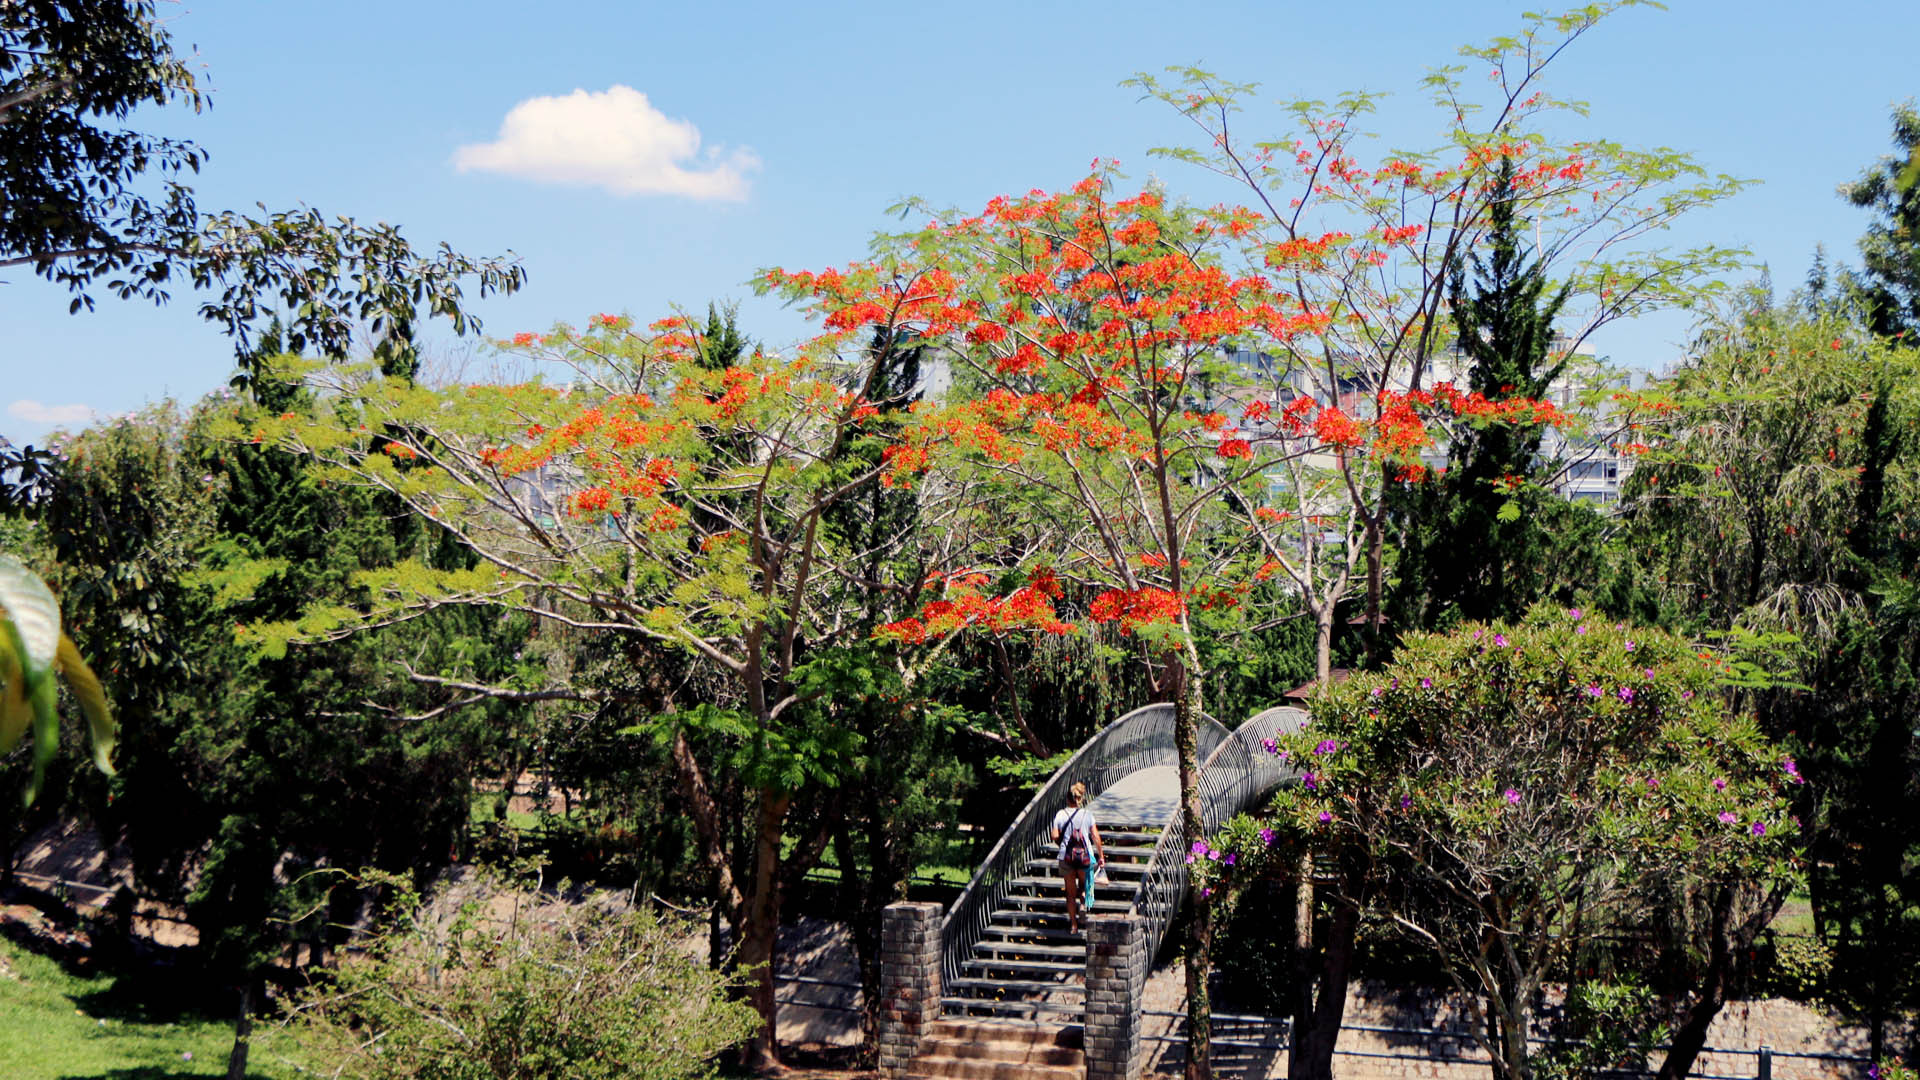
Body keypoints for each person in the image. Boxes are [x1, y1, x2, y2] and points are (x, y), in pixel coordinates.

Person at [1049, 781, 1105, 933]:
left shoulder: (1060, 814)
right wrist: (1101, 856)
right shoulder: (1088, 815)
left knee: (1070, 893)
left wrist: (1061, 842)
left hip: (1066, 858)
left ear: (1067, 799)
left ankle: (1073, 925)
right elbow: (1095, 836)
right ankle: (1083, 904)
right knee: (1084, 885)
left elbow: (1054, 835)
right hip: (1085, 857)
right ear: (1080, 799)